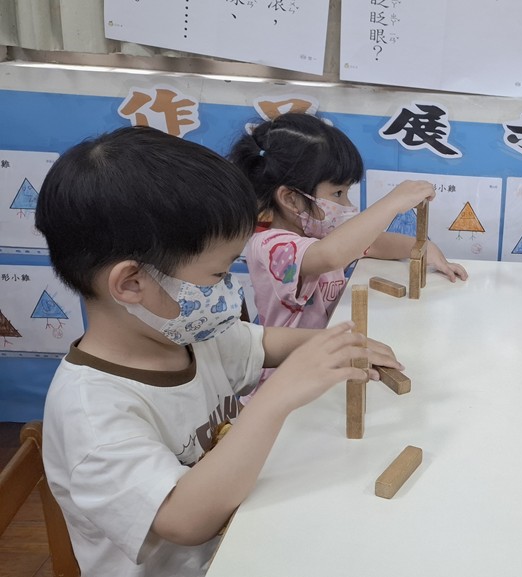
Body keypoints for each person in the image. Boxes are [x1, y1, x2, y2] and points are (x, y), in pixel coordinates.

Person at [35, 126, 400, 577]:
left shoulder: (188, 336)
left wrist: (334, 346)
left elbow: (261, 343)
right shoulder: (91, 414)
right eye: (216, 275)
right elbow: (185, 521)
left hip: (249, 538)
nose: (229, 289)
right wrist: (278, 396)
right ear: (131, 283)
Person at [228, 112, 467, 330]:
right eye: (338, 194)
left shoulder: (319, 231)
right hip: (294, 360)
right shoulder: (269, 246)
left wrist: (425, 248)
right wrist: (393, 202)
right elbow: (330, 255)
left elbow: (373, 243)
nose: (347, 204)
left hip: (330, 347)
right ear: (290, 199)